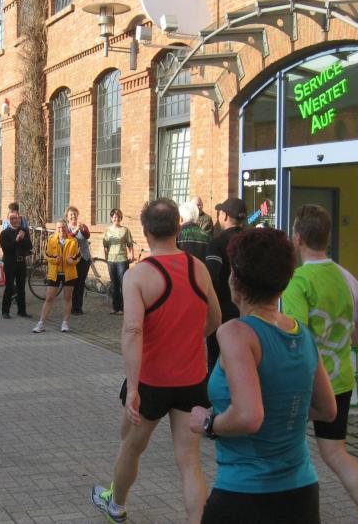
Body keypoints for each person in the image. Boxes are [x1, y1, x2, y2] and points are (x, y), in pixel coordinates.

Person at [189, 228, 337, 524]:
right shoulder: (303, 335)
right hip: (301, 494)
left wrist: (208, 423)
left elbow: (249, 416)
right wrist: (280, 410)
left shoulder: (236, 333)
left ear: (235, 279)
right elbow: (326, 409)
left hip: (246, 494)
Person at [91, 199, 221, 524]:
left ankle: (116, 506)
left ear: (145, 231)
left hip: (151, 381)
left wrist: (133, 388)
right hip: (193, 380)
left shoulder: (137, 276)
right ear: (178, 227)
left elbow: (133, 330)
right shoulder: (198, 268)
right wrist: (189, 340)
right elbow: (215, 319)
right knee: (189, 461)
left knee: (130, 447)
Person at [282, 204, 358, 524]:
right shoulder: (347, 277)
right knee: (335, 452)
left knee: (286, 449)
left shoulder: (298, 281)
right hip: (340, 381)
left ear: (297, 238)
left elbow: (297, 338)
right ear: (327, 238)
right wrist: (338, 346)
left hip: (306, 383)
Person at [204, 197, 246, 371]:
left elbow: (211, 277)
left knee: (216, 361)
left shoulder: (217, 243)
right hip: (249, 311)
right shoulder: (252, 242)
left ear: (225, 216)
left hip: (222, 312)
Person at [33, 220, 80, 333]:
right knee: (49, 298)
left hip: (69, 274)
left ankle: (65, 323)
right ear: (56, 229)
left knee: (67, 298)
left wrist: (72, 260)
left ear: (66, 228)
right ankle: (41, 323)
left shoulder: (73, 240)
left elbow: (78, 256)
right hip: (54, 274)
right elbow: (47, 254)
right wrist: (55, 259)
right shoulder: (51, 240)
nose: (61, 230)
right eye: (59, 227)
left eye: (63, 227)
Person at [0, 210, 32, 319]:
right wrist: (16, 239)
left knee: (21, 288)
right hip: (10, 263)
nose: (14, 220)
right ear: (8, 220)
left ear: (19, 218)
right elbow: (6, 248)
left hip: (21, 262)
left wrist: (22, 238)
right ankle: (5, 311)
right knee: (9, 287)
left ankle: (22, 311)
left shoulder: (24, 231)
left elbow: (29, 246)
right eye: (12, 218)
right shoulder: (5, 233)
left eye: (16, 218)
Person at [103, 208, 135, 315]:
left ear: (121, 218)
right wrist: (106, 257)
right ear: (111, 218)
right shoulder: (107, 230)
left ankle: (122, 308)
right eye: (114, 217)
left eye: (118, 217)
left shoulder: (125, 230)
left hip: (122, 260)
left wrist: (131, 254)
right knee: (114, 284)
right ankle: (115, 307)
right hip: (111, 260)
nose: (116, 218)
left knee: (123, 284)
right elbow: (105, 246)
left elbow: (129, 243)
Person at [65, 206, 91, 315]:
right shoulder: (66, 228)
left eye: (75, 214)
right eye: (71, 214)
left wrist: (82, 229)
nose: (73, 216)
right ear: (67, 217)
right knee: (72, 283)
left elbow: (87, 236)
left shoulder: (82, 225)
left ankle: (78, 308)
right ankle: (71, 307)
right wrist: (75, 231)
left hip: (84, 258)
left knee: (80, 283)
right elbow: (67, 238)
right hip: (71, 259)